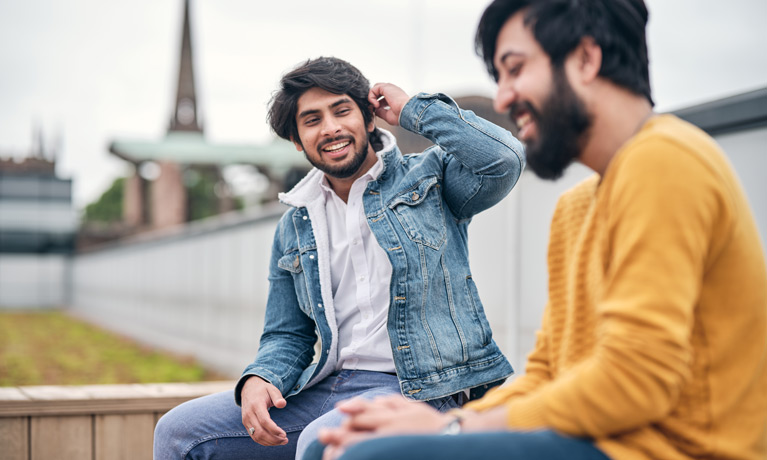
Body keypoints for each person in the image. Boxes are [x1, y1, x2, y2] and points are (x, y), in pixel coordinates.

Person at [306, 1, 767, 460]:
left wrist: (451, 428)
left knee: (365, 456)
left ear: (586, 59)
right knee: (340, 447)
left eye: (515, 69)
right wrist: (458, 425)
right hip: (591, 439)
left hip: (672, 449)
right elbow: (548, 370)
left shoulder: (665, 160)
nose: (503, 98)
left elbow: (635, 379)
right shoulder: (577, 207)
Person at [153, 56, 525, 460]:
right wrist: (261, 376)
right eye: (311, 120)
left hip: (418, 390)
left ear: (368, 119)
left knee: (322, 439)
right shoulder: (296, 223)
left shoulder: (429, 180)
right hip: (328, 387)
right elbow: (287, 334)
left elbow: (502, 160)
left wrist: (412, 110)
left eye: (341, 110)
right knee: (179, 432)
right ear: (297, 140)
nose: (330, 128)